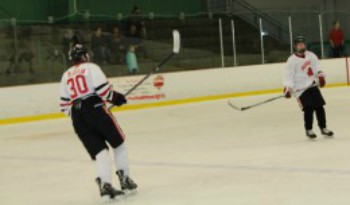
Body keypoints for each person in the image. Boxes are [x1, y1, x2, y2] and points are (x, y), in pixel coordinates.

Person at [59, 44, 137, 200]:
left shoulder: (65, 75)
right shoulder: (91, 67)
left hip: (77, 117)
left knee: (100, 151)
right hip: (95, 109)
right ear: (85, 56)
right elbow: (103, 91)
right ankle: (125, 179)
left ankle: (105, 185)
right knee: (118, 143)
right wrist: (117, 98)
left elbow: (64, 106)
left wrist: (82, 113)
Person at [284, 36, 334, 139]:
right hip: (300, 90)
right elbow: (289, 75)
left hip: (312, 85)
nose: (301, 45)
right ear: (295, 46)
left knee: (320, 107)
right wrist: (288, 87)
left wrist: (320, 76)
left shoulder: (311, 55)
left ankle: (323, 128)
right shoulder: (292, 60)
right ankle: (309, 129)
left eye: (303, 44)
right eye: (299, 44)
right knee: (309, 108)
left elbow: (318, 68)